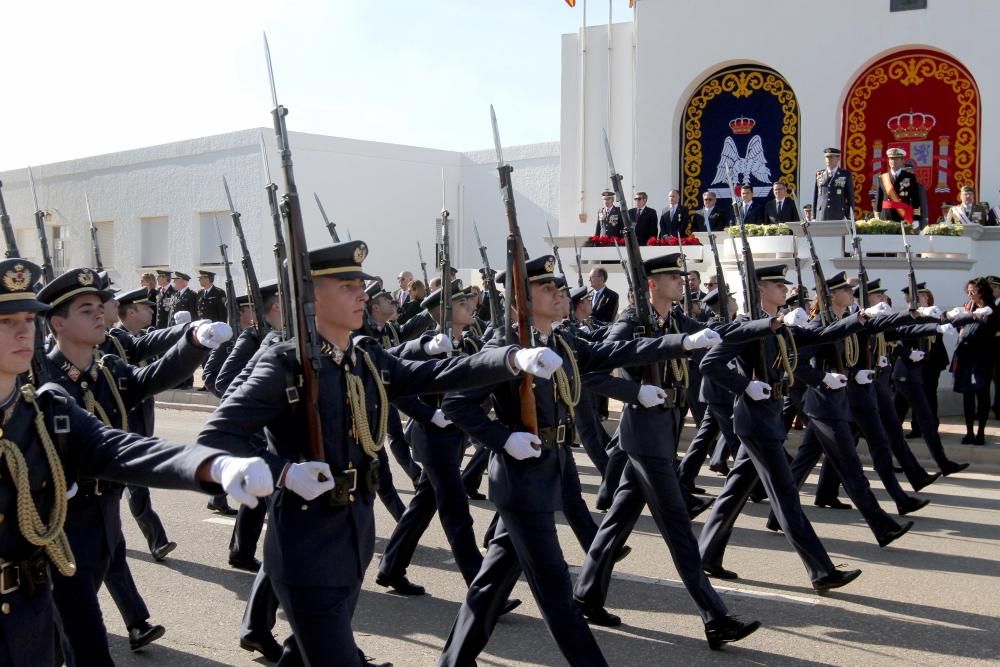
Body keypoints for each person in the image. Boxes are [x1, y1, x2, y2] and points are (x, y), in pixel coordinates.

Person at [199, 240, 557, 666]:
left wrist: (511, 359)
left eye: (361, 285)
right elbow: (216, 435)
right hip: (305, 536)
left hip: (356, 526)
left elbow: (438, 373)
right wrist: (282, 472)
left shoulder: (364, 356)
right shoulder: (284, 363)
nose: (363, 295)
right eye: (349, 286)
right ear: (312, 296)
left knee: (306, 652)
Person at [438, 254, 756, 666]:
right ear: (520, 299)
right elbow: (458, 404)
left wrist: (682, 342)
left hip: (546, 471)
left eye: (558, 287)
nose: (558, 293)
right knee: (556, 593)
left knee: (490, 586)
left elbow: (617, 352)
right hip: (520, 482)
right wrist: (504, 439)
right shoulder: (505, 348)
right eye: (546, 288)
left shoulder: (558, 341)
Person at [0, 257, 272, 667]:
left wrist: (212, 466)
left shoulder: (42, 408)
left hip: (31, 603)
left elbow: (122, 447)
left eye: (27, 317)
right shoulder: (48, 387)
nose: (24, 330)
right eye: (6, 321)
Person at [698, 264, 867, 589]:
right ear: (761, 288)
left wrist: (854, 321)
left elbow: (817, 335)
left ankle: (706, 553)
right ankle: (821, 571)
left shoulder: (781, 325)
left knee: (734, 492)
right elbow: (710, 364)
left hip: (767, 418)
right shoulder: (746, 325)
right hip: (755, 420)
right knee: (786, 495)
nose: (784, 290)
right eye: (778, 285)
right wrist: (745, 385)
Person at [952, 277, 999, 445]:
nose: (970, 294)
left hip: (982, 360)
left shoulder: (992, 310)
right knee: (968, 397)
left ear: (983, 291)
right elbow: (960, 327)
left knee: (982, 396)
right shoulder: (969, 306)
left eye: (974, 290)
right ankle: (969, 432)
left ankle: (981, 432)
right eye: (969, 290)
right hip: (966, 358)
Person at [876, 147, 922, 226]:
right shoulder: (882, 178)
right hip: (886, 217)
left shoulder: (910, 177)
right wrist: (877, 216)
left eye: (896, 159)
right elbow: (879, 199)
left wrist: (916, 218)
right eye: (891, 159)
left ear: (902, 161)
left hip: (903, 217)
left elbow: (915, 199)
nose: (893, 161)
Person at [813, 147, 854, 221]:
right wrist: (814, 216)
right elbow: (816, 197)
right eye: (826, 157)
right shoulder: (819, 174)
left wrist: (849, 216)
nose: (828, 159)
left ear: (838, 158)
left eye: (831, 157)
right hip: (822, 215)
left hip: (838, 214)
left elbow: (850, 197)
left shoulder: (845, 174)